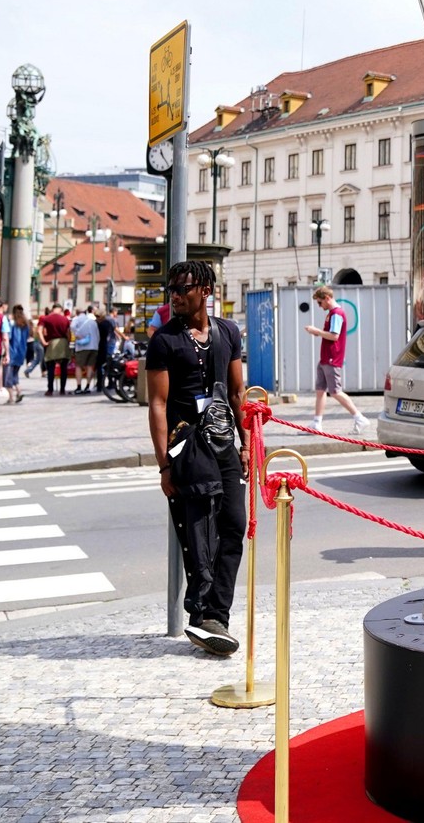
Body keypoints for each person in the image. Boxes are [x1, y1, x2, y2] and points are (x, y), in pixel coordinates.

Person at [147, 260, 246, 657]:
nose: (174, 296)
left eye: (182, 288)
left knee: (234, 526)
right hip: (186, 446)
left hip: (223, 442)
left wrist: (251, 441)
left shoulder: (227, 332)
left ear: (205, 290)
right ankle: (204, 615)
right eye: (170, 289)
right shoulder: (164, 340)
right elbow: (157, 404)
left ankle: (216, 613)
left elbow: (238, 393)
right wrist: (164, 465)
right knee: (199, 532)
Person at [305, 285, 368, 434]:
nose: (319, 306)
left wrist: (317, 331)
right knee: (320, 390)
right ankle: (317, 422)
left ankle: (359, 418)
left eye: (320, 303)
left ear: (327, 298)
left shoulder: (336, 314)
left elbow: (334, 335)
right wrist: (319, 333)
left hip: (332, 358)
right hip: (326, 358)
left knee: (335, 391)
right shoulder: (333, 314)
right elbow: (331, 335)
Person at [40, 303, 72, 394]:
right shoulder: (65, 319)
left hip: (51, 343)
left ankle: (50, 389)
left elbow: (39, 330)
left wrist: (43, 342)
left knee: (51, 367)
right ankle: (62, 389)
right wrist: (68, 342)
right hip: (63, 342)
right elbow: (68, 333)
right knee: (63, 368)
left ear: (52, 309)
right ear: (61, 310)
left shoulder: (45, 318)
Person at [70, 305, 99, 394]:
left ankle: (79, 386)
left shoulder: (76, 319)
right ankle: (87, 386)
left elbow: (72, 328)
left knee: (79, 366)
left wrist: (78, 336)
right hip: (93, 347)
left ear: (77, 313)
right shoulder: (92, 321)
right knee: (90, 366)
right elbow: (98, 335)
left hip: (82, 347)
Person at [4, 304, 29, 405]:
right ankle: (19, 391)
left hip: (12, 352)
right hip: (21, 353)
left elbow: (10, 337)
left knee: (8, 376)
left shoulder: (13, 324)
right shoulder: (25, 324)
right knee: (15, 375)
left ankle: (11, 397)